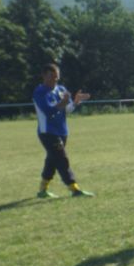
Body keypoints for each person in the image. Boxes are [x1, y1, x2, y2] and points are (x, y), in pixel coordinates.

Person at [33, 63, 93, 198]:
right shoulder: (40, 92)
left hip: (62, 131)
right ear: (43, 76)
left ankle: (42, 190)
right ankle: (74, 189)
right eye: (51, 76)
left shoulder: (61, 89)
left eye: (57, 77)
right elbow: (48, 112)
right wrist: (63, 103)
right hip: (47, 132)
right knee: (61, 159)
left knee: (52, 160)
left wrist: (75, 102)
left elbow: (67, 110)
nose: (55, 79)